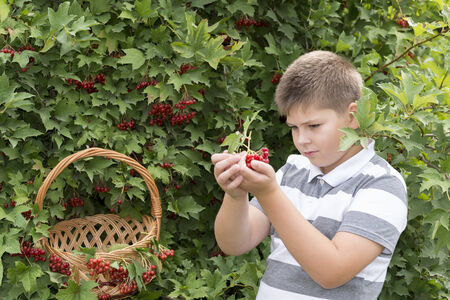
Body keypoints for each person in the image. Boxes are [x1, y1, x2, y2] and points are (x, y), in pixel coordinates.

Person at [211, 50, 408, 300]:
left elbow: (331, 272)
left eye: (314, 126)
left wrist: (269, 193)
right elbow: (234, 244)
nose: (302, 140)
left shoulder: (382, 185)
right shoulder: (294, 170)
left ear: (353, 116)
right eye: (294, 127)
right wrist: (236, 194)